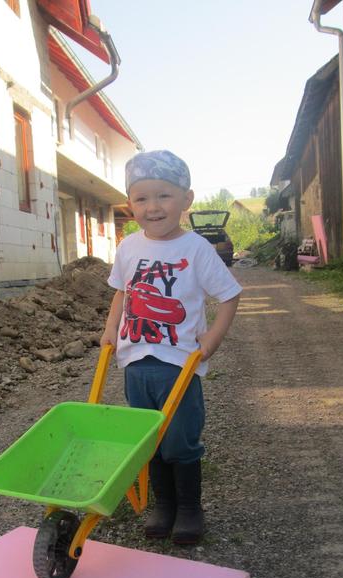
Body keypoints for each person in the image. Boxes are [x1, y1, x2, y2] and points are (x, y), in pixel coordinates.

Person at [100, 150, 242, 544]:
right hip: (135, 361)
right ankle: (163, 504)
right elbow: (121, 291)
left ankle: (190, 508)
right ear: (130, 204)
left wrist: (213, 338)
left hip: (178, 363)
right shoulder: (129, 247)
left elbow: (229, 295)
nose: (153, 207)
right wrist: (111, 328)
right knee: (148, 437)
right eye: (141, 198)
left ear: (186, 199)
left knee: (180, 437)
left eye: (164, 196)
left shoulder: (196, 248)